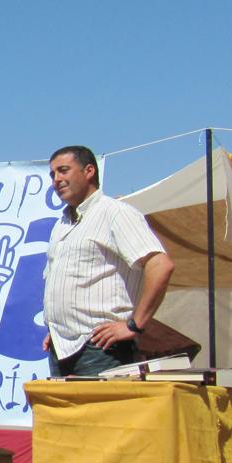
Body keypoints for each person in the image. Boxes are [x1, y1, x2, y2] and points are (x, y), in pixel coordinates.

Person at [43, 145, 175, 376]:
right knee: (66, 414)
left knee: (102, 413)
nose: (57, 179)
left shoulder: (116, 213)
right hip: (61, 347)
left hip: (102, 348)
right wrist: (59, 328)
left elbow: (161, 265)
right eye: (53, 174)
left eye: (63, 170)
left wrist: (134, 325)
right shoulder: (61, 224)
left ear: (89, 171)